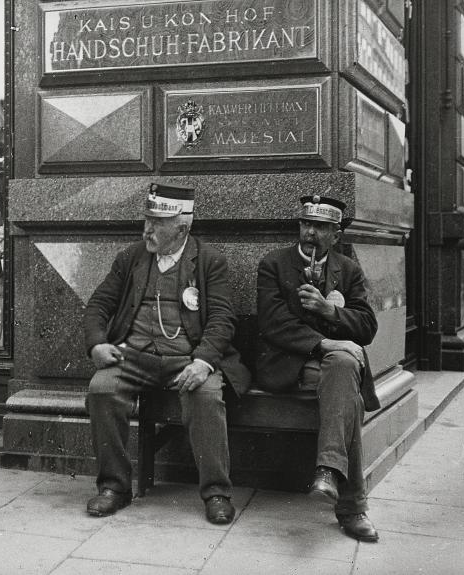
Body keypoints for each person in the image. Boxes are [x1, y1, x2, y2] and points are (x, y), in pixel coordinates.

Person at [84, 182, 250, 524]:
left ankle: (216, 492)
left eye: (157, 222)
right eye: (146, 219)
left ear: (182, 228)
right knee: (102, 389)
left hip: (187, 359)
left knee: (205, 395)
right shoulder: (131, 258)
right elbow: (99, 304)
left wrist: (203, 362)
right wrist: (98, 343)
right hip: (134, 358)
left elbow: (222, 319)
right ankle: (114, 487)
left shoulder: (208, 261)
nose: (147, 229)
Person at [254, 194, 381, 542]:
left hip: (332, 369)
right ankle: (352, 507)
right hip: (289, 365)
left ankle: (328, 470)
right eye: (306, 224)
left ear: (336, 235)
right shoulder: (274, 264)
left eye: (321, 227)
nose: (310, 233)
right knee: (349, 395)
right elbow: (272, 323)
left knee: (343, 374)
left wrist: (329, 312)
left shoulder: (348, 269)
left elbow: (367, 326)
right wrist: (326, 342)